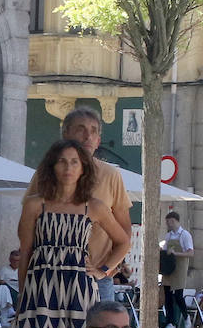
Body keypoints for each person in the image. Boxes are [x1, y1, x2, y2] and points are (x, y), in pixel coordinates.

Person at [14, 139, 129, 328]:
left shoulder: (94, 207)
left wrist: (103, 270)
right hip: (40, 287)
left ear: (83, 167)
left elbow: (123, 242)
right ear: (52, 166)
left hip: (79, 288)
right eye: (62, 161)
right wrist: (22, 294)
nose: (68, 168)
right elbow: (25, 252)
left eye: (75, 162)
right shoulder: (34, 204)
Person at [24, 108, 133, 304]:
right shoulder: (45, 174)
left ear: (99, 139)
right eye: (81, 129)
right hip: (48, 277)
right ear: (65, 134)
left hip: (95, 280)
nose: (87, 136)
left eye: (93, 131)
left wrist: (106, 270)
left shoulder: (111, 176)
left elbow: (125, 234)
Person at [160, 212, 194, 328]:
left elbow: (190, 253)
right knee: (167, 296)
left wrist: (176, 254)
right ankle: (170, 323)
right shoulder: (168, 236)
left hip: (180, 267)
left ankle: (185, 316)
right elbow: (165, 250)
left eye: (168, 222)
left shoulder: (185, 235)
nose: (167, 224)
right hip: (169, 267)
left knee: (178, 295)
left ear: (173, 221)